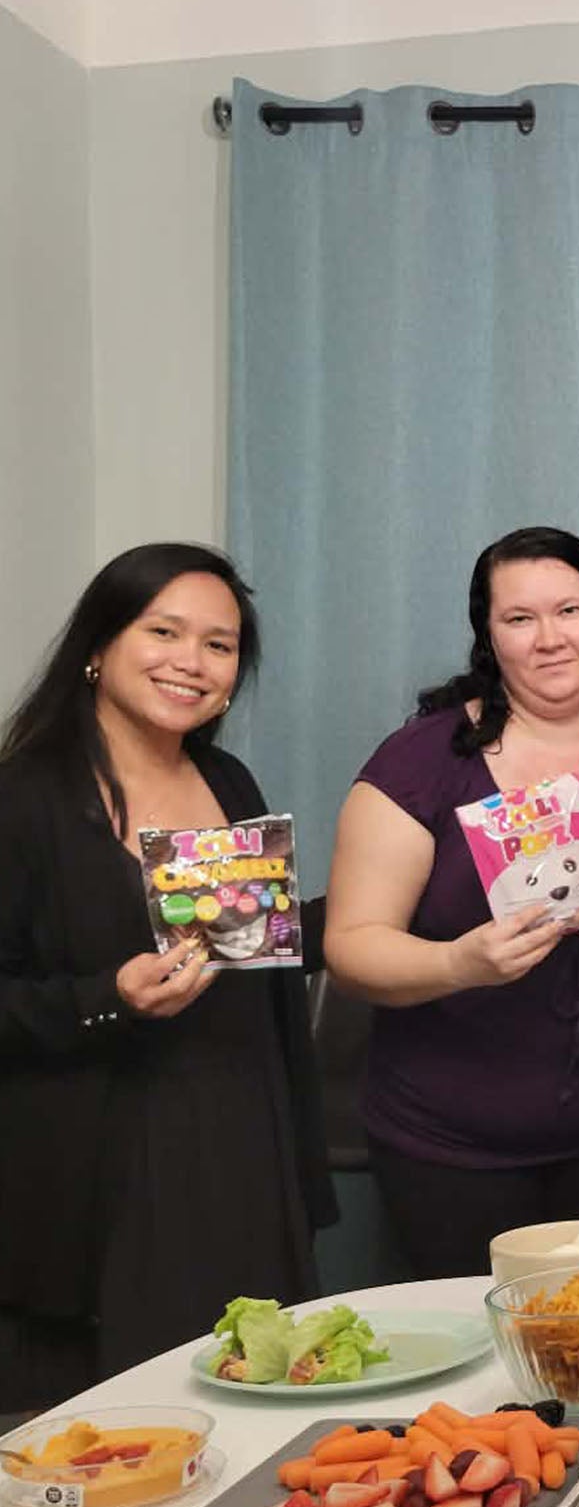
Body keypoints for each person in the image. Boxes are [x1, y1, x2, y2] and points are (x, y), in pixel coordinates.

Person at [0, 544, 334, 1397]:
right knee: (131, 1426)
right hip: (102, 1174)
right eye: (164, 631)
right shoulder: (25, 798)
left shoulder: (229, 779)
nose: (191, 661)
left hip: (244, 1142)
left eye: (219, 645)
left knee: (259, 1410)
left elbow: (256, 955)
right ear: (98, 645)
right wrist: (107, 998)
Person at [324, 526, 579, 1278]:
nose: (548, 638)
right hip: (454, 1151)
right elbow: (352, 944)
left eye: (569, 610)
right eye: (519, 619)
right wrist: (458, 961)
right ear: (488, 638)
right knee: (480, 1383)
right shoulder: (424, 761)